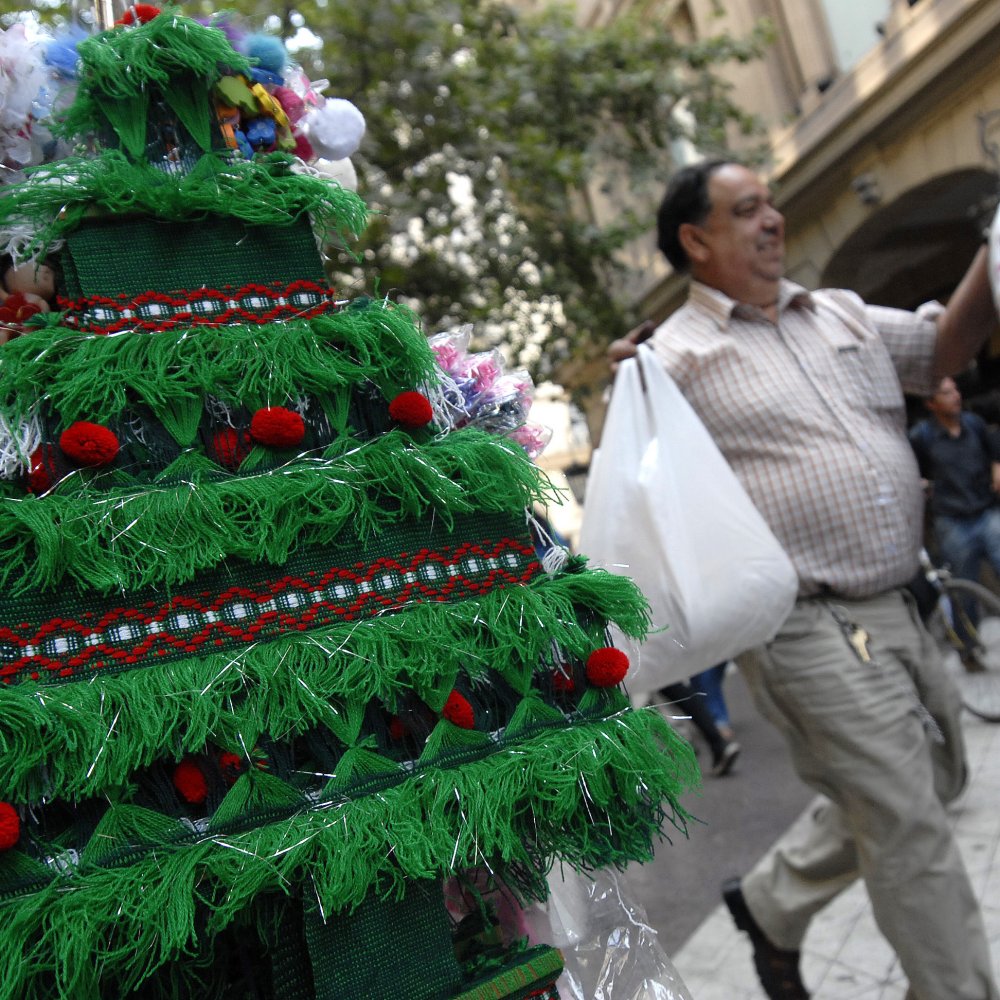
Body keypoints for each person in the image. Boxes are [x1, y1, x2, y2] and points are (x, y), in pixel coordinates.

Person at [608, 158, 999, 1000]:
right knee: (906, 821)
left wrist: (995, 247)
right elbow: (644, 493)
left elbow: (943, 349)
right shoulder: (671, 359)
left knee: (937, 778)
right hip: (803, 625)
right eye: (747, 210)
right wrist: (627, 379)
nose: (774, 219)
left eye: (772, 204)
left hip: (900, 599)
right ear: (696, 240)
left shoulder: (840, 313)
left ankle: (769, 903)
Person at [909, 375, 1000, 590]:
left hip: (986, 514)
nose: (956, 396)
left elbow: (993, 446)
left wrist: (997, 466)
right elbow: (914, 472)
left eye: (956, 390)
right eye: (947, 393)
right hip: (953, 523)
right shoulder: (923, 436)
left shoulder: (973, 423)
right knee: (965, 589)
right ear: (931, 403)